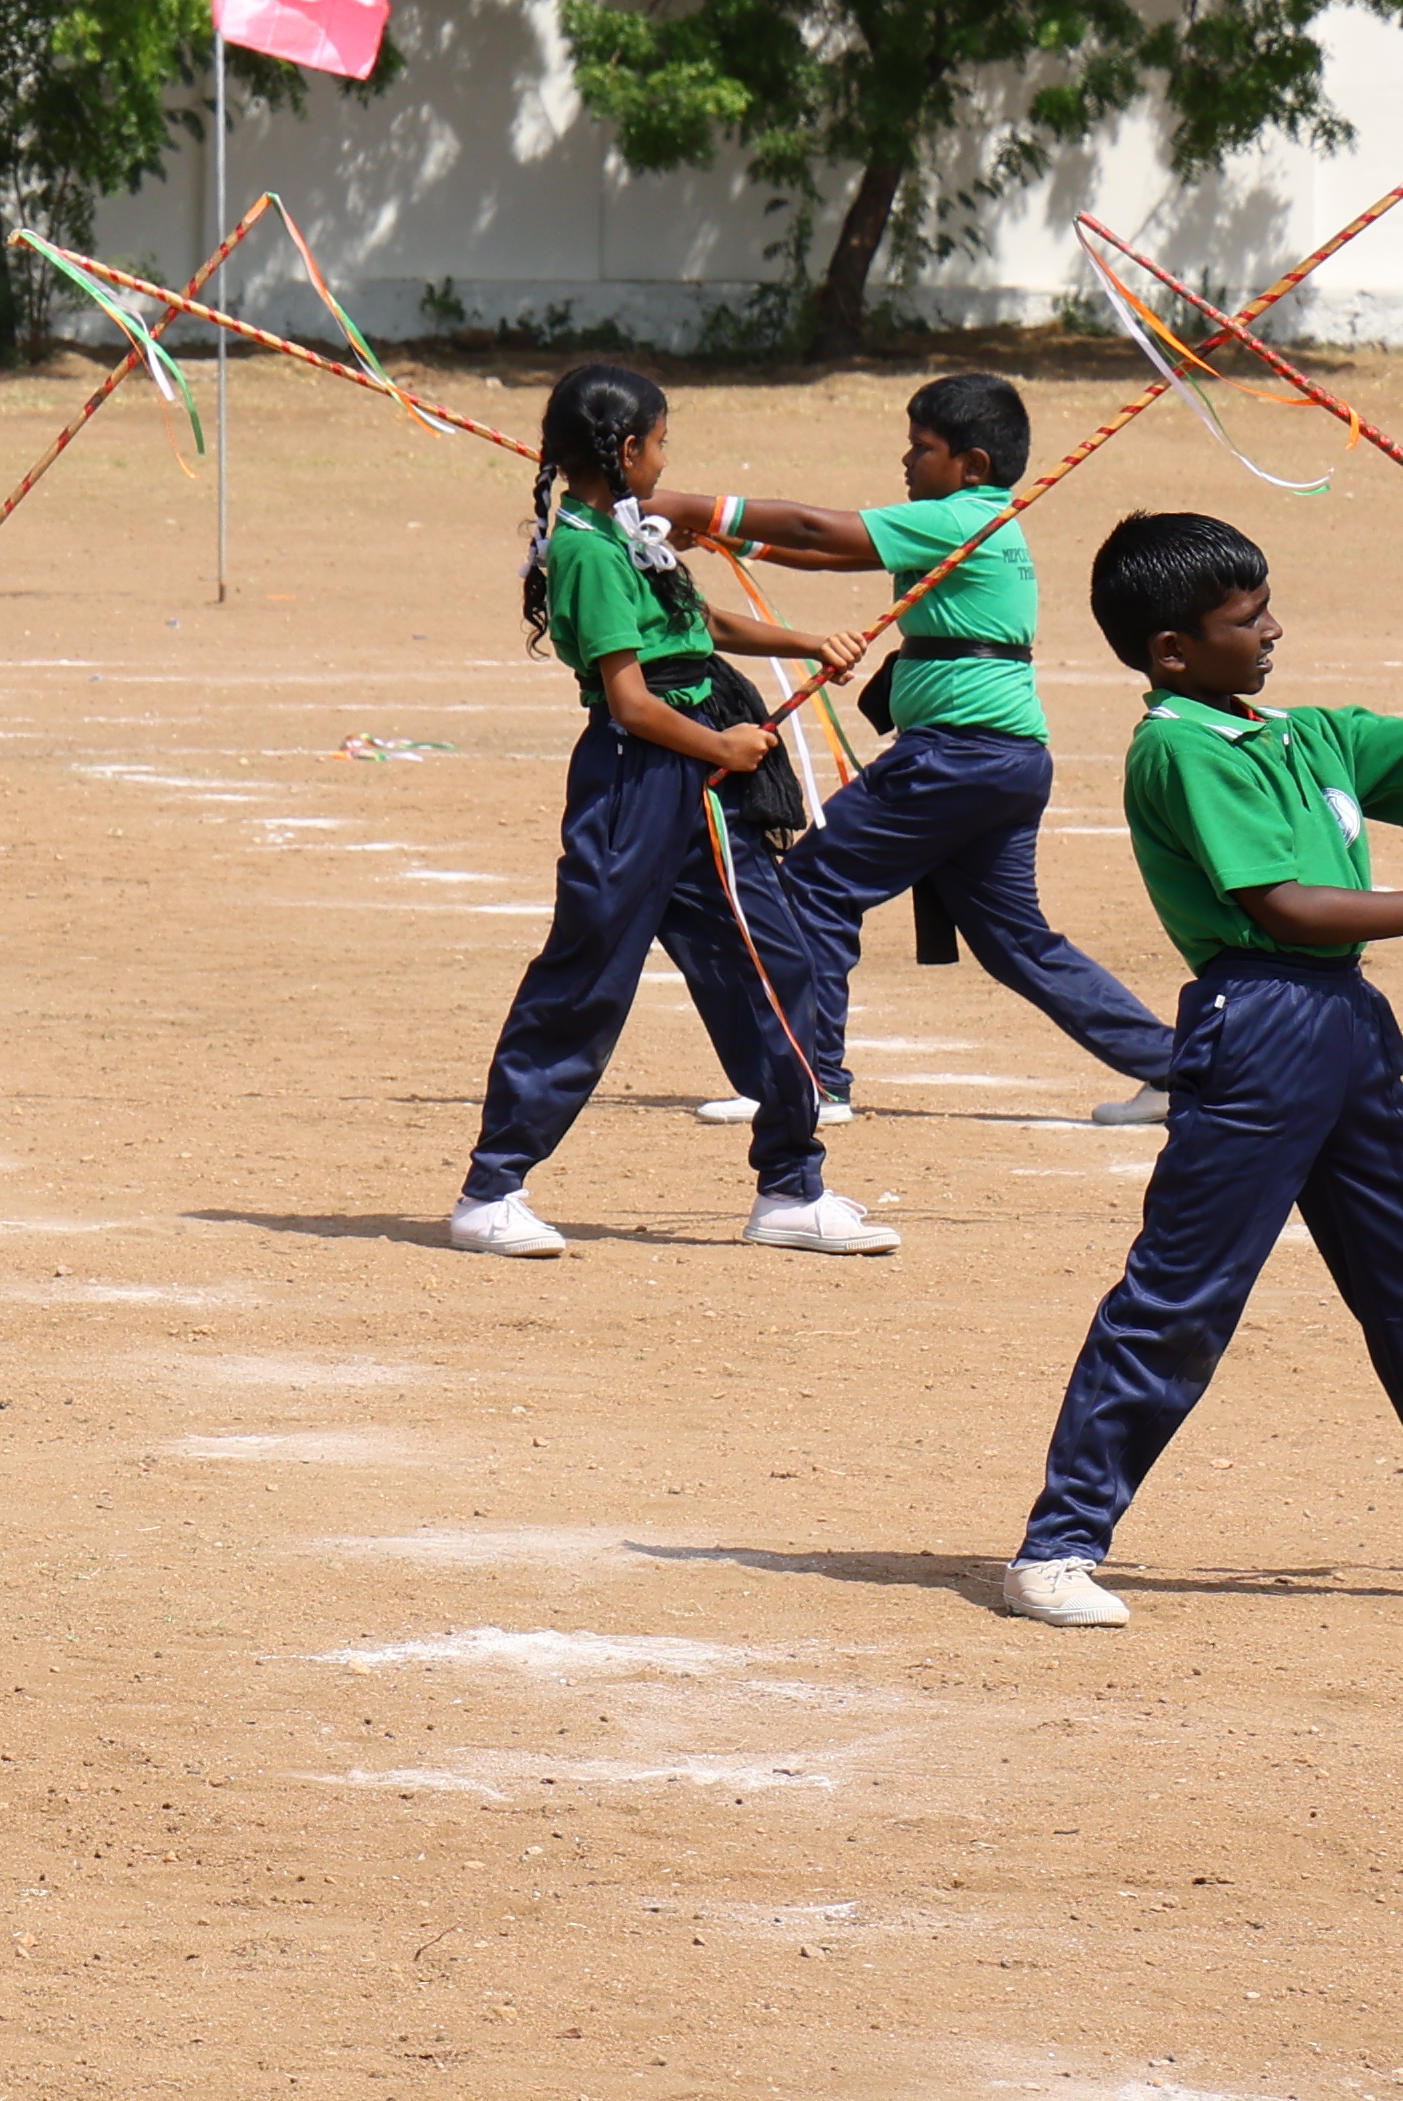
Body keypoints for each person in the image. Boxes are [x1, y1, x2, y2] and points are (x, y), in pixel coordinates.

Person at [995, 512, 1403, 1627]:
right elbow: (1289, 908)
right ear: (1173, 649)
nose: (1273, 626)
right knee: (1185, 1291)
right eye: (1246, 615)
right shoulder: (1177, 747)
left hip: (1353, 1028)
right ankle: (1060, 1543)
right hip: (1261, 1020)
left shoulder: (1304, 734)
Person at [447, 362, 901, 1260]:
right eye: (660, 443)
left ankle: (790, 1186)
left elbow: (698, 626)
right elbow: (631, 701)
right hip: (640, 782)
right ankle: (492, 1188)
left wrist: (809, 640)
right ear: (625, 450)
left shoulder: (629, 534)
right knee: (588, 976)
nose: (665, 460)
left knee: (772, 963)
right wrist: (724, 750)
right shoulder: (583, 549)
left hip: (700, 780)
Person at [647, 373, 1175, 1136]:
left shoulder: (960, 514)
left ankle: (810, 1079)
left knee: (812, 889)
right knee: (1016, 941)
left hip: (956, 756)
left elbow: (821, 530)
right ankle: (1174, 1067)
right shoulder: (969, 516)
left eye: (921, 447)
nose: (906, 458)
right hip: (1004, 759)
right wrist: (729, 537)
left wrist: (694, 508)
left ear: (973, 463)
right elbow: (830, 554)